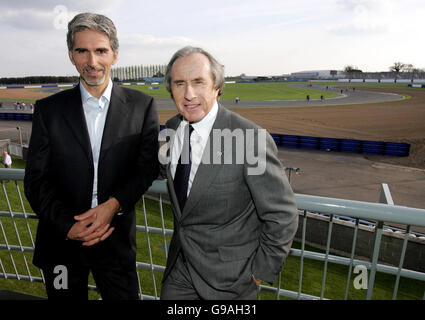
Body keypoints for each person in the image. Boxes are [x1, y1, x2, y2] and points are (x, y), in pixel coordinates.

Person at [24, 13, 159, 300]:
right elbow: (36, 180)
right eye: (82, 51)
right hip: (61, 244)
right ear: (71, 56)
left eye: (100, 51)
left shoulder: (142, 106)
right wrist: (68, 227)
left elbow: (145, 169)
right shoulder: (48, 110)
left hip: (115, 242)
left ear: (115, 54)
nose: (92, 62)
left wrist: (115, 205)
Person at [160, 46, 298, 300]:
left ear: (217, 87)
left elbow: (283, 214)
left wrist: (260, 272)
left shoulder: (250, 139)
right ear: (171, 89)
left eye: (198, 82)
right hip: (180, 270)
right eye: (180, 84)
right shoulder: (171, 129)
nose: (189, 94)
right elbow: (169, 171)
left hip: (231, 281)